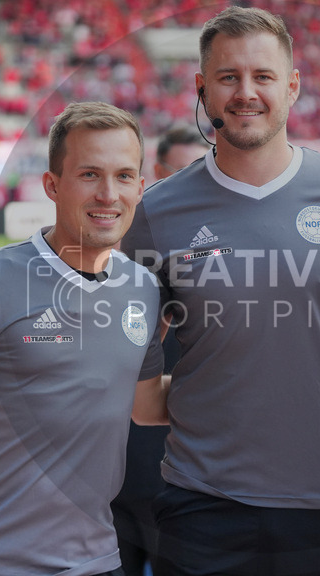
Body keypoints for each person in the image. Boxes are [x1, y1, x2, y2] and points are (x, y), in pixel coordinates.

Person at [120, 7, 320, 575]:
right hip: (202, 505)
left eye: (262, 76)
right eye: (228, 77)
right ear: (203, 90)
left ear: (292, 86)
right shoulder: (157, 212)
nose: (246, 93)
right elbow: (136, 380)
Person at [0, 101, 168, 576]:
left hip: (101, 561)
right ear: (52, 185)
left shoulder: (144, 290)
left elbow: (147, 407)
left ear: (140, 187)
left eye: (125, 176)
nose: (109, 193)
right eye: (90, 174)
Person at [111, 124, 208, 576]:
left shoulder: (228, 268)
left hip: (184, 478)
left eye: (201, 173)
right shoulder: (118, 255)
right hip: (112, 473)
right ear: (156, 172)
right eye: (180, 173)